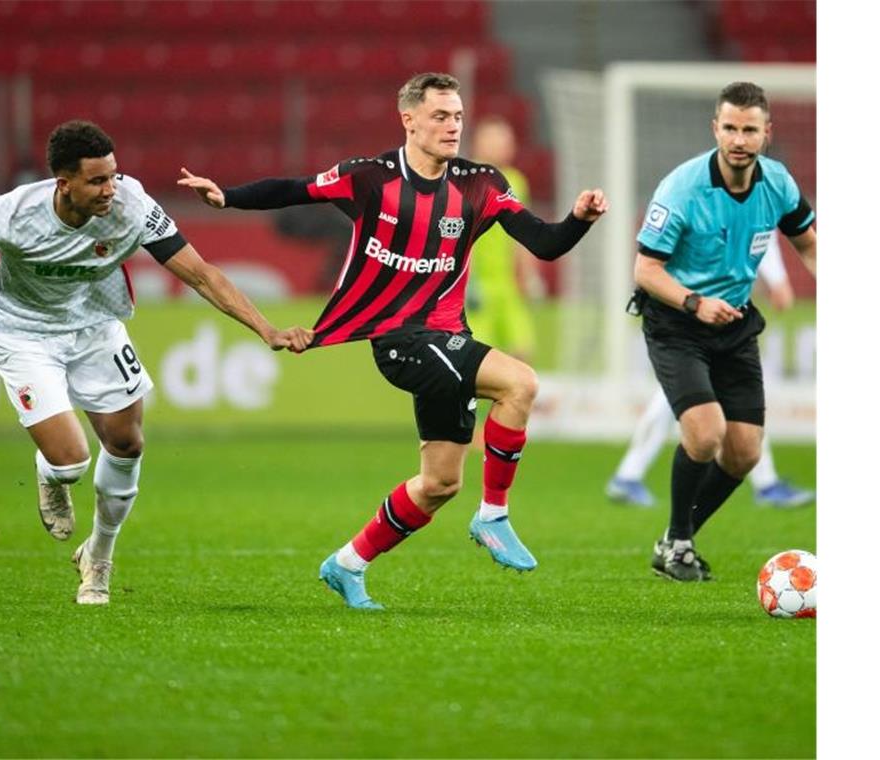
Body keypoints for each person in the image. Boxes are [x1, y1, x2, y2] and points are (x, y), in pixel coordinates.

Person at [0, 120, 313, 605]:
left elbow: (203, 275)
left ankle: (97, 559)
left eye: (114, 176)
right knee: (72, 460)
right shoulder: (14, 213)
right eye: (97, 181)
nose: (111, 190)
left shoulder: (134, 207)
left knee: (127, 442)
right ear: (64, 183)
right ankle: (52, 476)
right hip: (22, 331)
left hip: (93, 324)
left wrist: (265, 329)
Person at [178, 72, 608, 609]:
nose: (453, 127)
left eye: (457, 116)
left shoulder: (482, 184)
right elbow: (295, 188)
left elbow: (545, 244)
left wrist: (579, 218)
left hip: (448, 335)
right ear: (409, 120)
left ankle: (347, 563)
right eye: (439, 116)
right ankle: (494, 514)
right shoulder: (369, 178)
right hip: (399, 340)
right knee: (520, 383)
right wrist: (228, 197)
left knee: (438, 484)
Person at [631, 82, 816, 582]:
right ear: (715, 128)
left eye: (749, 129)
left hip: (733, 324)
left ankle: (674, 540)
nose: (739, 139)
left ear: (766, 133)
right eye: (730, 128)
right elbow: (645, 270)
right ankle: (680, 543)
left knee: (745, 452)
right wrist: (694, 302)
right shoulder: (682, 188)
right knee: (706, 432)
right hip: (676, 322)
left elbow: (809, 244)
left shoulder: (777, 182)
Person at [607, 231, 815, 509]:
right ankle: (765, 484)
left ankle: (629, 474)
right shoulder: (701, 194)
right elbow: (754, 230)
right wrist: (777, 280)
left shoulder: (746, 195)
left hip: (703, 306)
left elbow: (759, 230)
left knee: (693, 397)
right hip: (690, 311)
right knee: (726, 399)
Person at [464, 116, 544, 362]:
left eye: (507, 141)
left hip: (507, 286)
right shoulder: (466, 179)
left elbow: (524, 233)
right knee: (478, 360)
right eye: (497, 139)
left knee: (523, 352)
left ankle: (507, 401)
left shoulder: (516, 181)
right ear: (479, 143)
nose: (505, 146)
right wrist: (466, 280)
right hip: (477, 286)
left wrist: (531, 274)